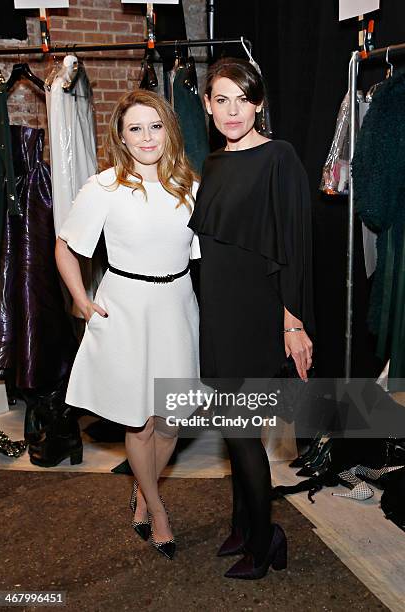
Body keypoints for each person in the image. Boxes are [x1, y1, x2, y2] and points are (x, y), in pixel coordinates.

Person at [55, 90, 200, 561]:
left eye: (155, 126)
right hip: (127, 306)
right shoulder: (104, 187)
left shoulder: (189, 185)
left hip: (178, 304)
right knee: (139, 422)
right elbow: (66, 248)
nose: (146, 137)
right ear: (120, 136)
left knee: (172, 419)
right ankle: (156, 509)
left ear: (169, 131)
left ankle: (142, 490)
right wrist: (81, 300)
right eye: (135, 128)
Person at [188, 58, 314, 579]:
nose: (232, 110)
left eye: (242, 98)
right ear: (208, 106)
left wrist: (294, 323)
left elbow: (295, 247)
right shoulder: (214, 164)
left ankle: (266, 541)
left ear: (258, 103)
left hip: (259, 318)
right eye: (221, 99)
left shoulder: (279, 158)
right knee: (229, 429)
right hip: (218, 314)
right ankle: (243, 525)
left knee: (243, 434)